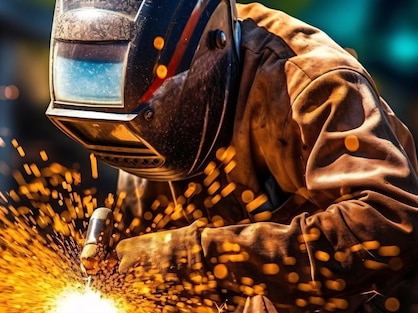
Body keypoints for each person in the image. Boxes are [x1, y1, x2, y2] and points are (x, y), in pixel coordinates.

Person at [46, 0, 418, 312]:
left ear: (206, 56)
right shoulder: (149, 114)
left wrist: (196, 259)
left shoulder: (313, 84)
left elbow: (390, 223)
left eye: (154, 108)